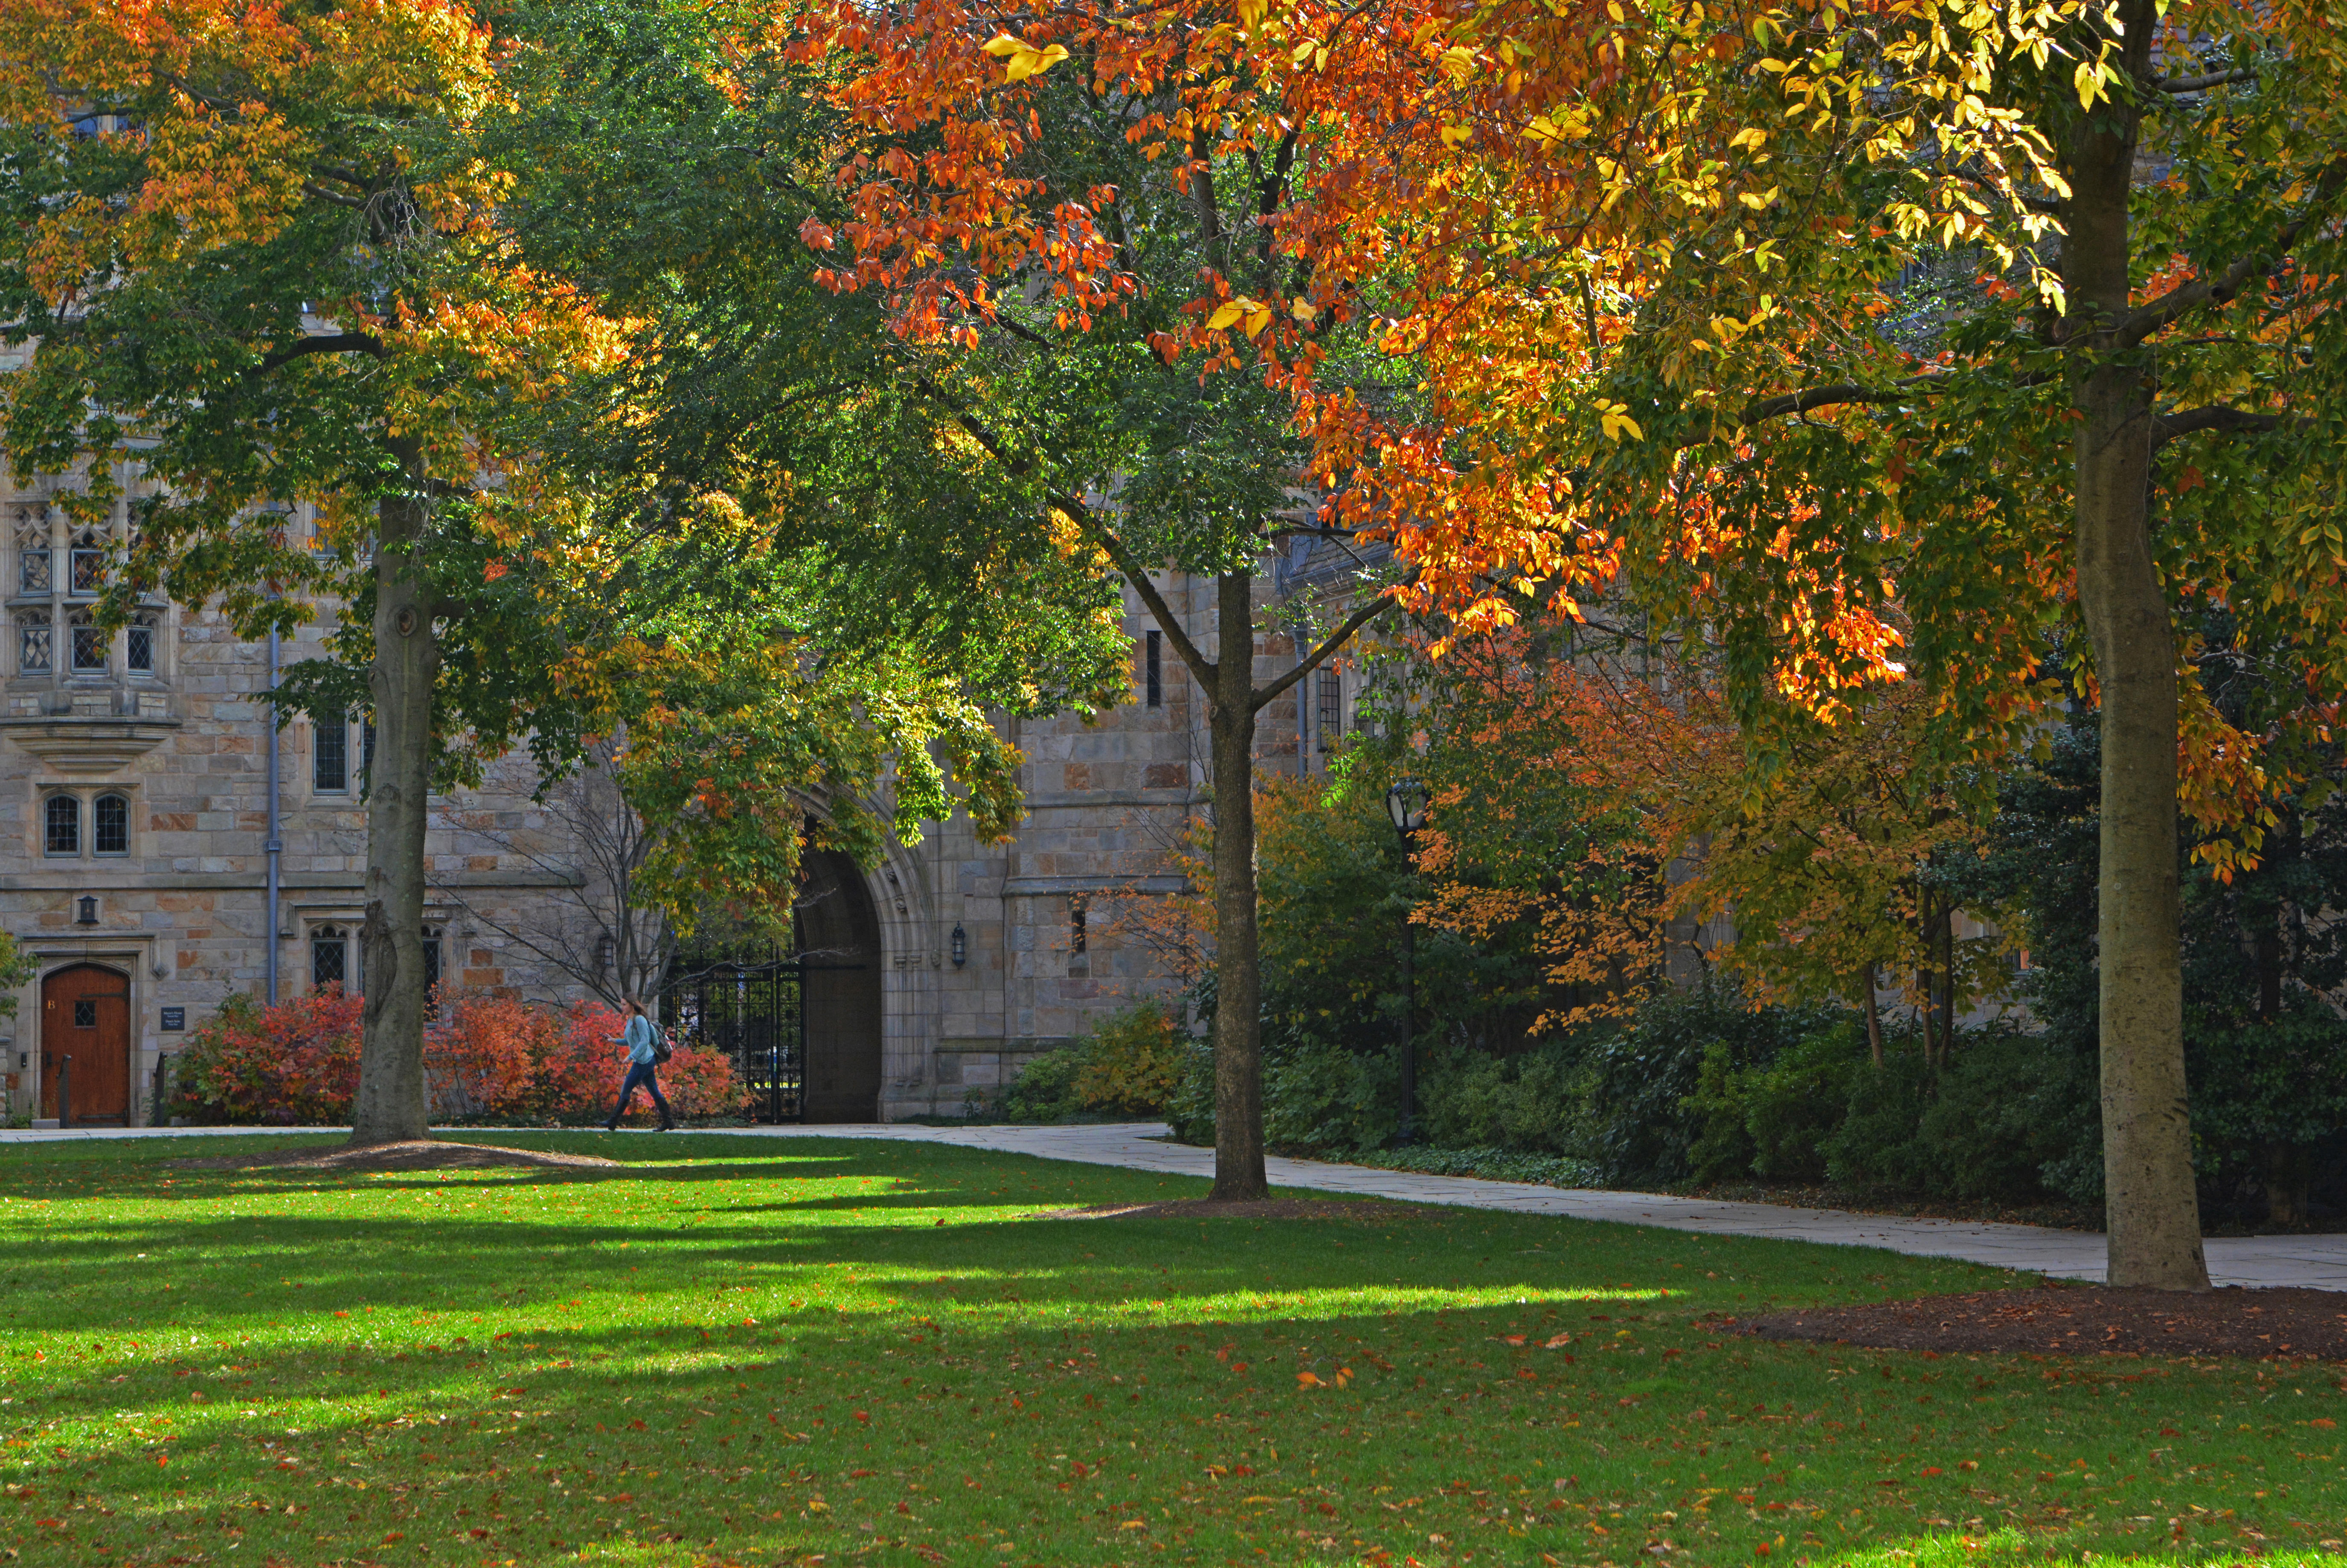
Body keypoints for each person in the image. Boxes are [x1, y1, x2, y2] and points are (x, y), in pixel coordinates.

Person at [603, 995, 674, 1132]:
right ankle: (669, 1122)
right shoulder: (630, 1021)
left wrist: (630, 1057)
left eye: (624, 1004)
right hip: (643, 1059)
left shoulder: (640, 1019)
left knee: (626, 1088)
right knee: (654, 1091)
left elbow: (644, 1041)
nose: (622, 1007)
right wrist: (613, 1041)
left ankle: (612, 1122)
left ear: (631, 1005)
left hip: (645, 1060)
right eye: (622, 1004)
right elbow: (630, 1041)